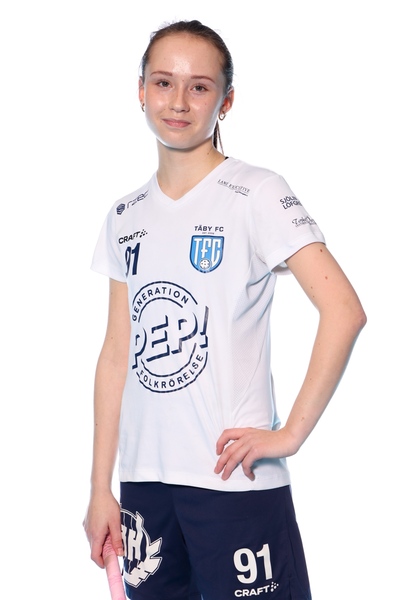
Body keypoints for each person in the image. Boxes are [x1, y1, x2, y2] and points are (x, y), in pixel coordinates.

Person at [83, 19, 366, 600]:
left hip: (233, 481)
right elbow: (117, 354)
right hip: (144, 488)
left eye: (200, 87)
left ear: (226, 101)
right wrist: (100, 487)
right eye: (163, 82)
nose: (178, 102)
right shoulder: (124, 215)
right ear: (140, 90)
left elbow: (344, 309)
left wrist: (289, 435)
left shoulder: (256, 192)